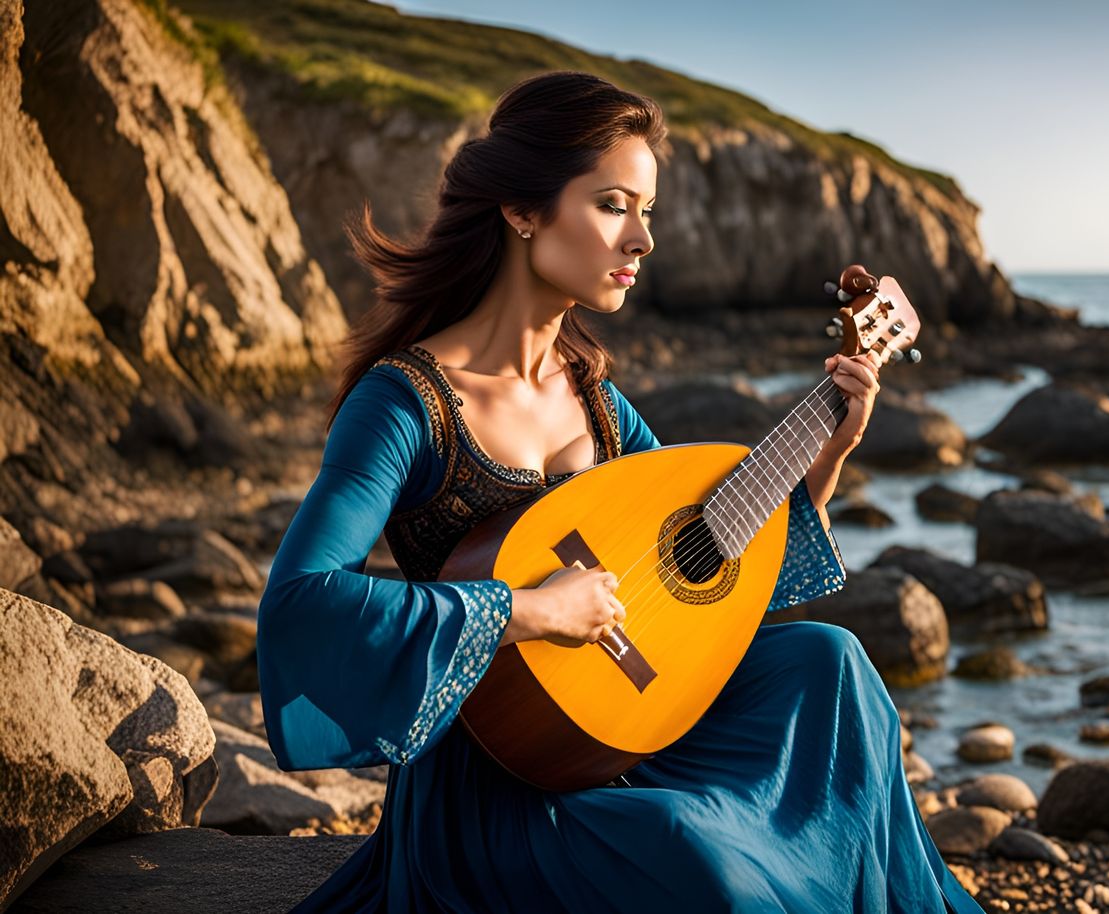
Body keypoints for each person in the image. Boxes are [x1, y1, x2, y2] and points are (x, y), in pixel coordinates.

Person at [256, 70, 984, 912]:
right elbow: (302, 603)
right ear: (523, 211)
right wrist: (529, 611)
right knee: (695, 862)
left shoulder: (595, 396)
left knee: (832, 661)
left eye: (648, 211)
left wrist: (828, 454)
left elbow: (704, 560)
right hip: (499, 775)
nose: (641, 240)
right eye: (612, 205)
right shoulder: (406, 402)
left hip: (620, 718)